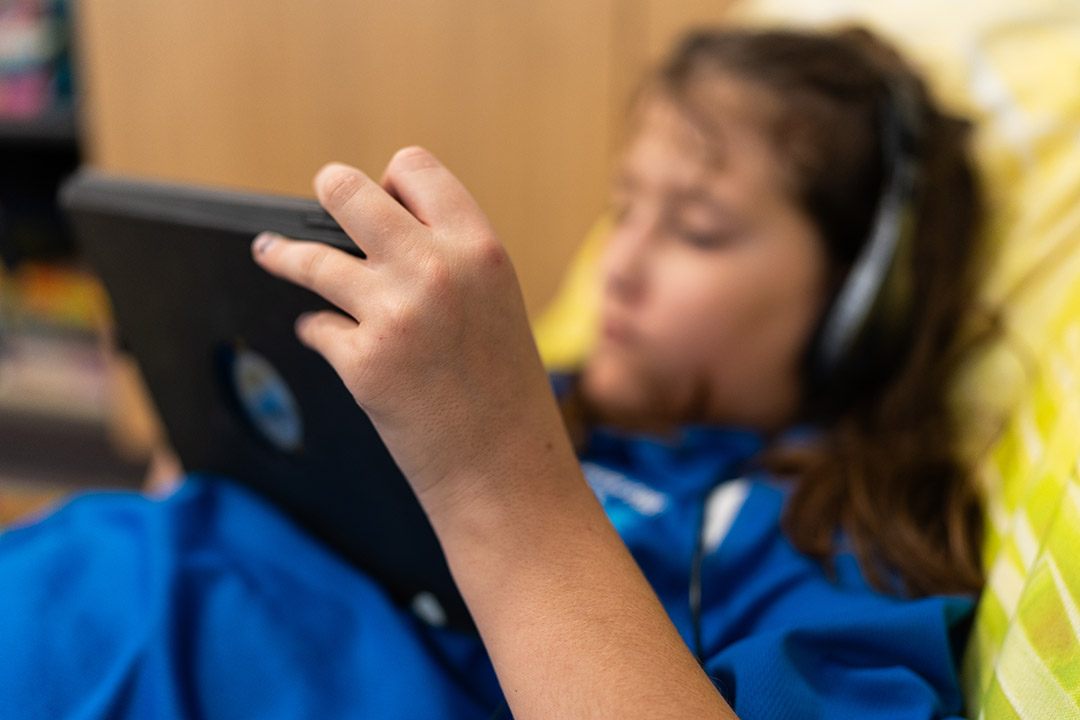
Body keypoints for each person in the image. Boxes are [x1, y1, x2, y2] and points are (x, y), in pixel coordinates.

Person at [0, 27, 984, 719]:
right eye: (626, 208)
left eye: (698, 228)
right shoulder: (532, 396)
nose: (623, 264)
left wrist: (495, 473)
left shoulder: (839, 532)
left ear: (859, 308)